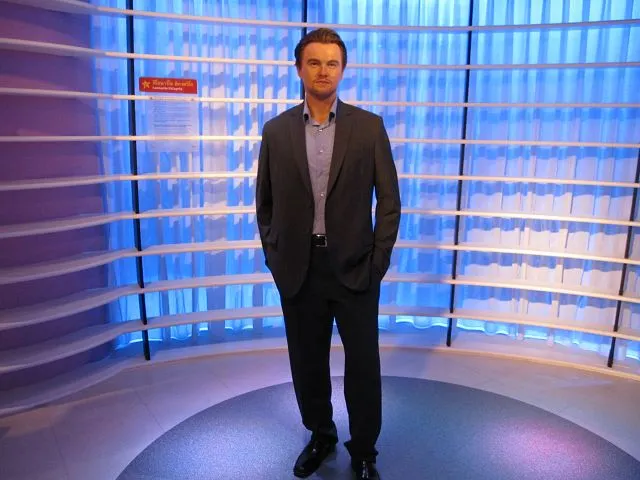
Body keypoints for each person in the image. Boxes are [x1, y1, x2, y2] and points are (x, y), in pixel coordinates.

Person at [255, 27, 401, 480]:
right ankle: (321, 435)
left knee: (363, 366)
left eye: (332, 63)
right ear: (299, 68)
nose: (323, 70)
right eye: (314, 62)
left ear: (343, 69)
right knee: (307, 363)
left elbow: (390, 201)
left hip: (357, 270)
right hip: (299, 270)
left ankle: (364, 451)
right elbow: (265, 204)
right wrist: (275, 257)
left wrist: (378, 262)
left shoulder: (369, 127)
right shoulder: (276, 131)